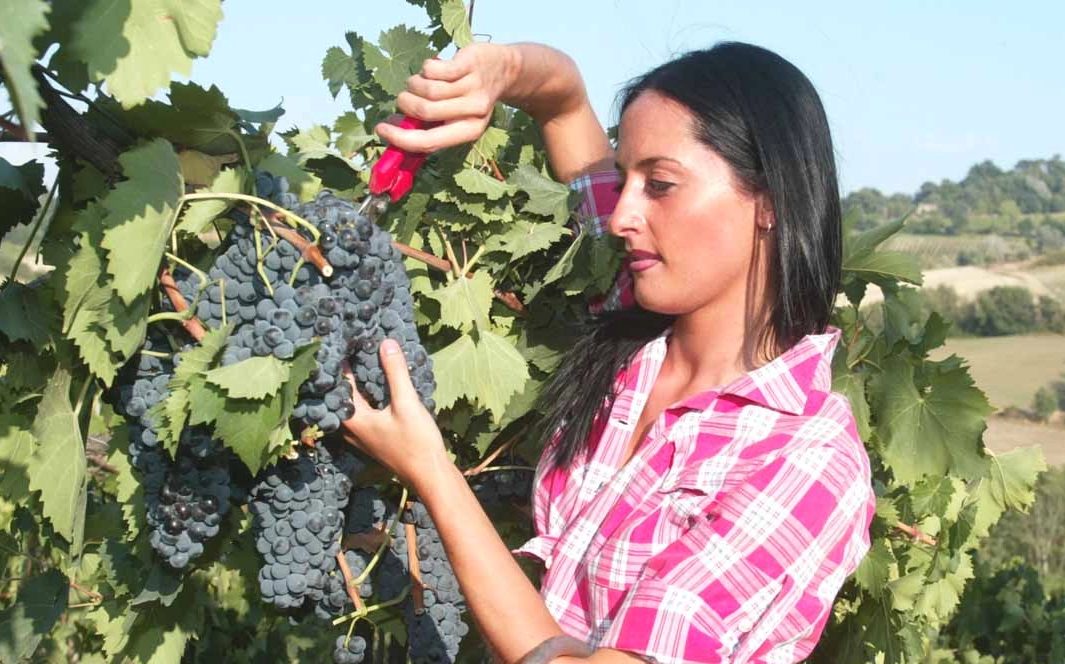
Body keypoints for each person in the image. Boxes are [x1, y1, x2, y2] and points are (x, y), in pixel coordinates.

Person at [342, 41, 876, 664]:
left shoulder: (806, 463)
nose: (622, 214)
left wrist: (431, 471)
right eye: (624, 181)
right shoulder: (633, 318)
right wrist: (498, 73)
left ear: (769, 203)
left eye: (662, 184)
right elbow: (564, 104)